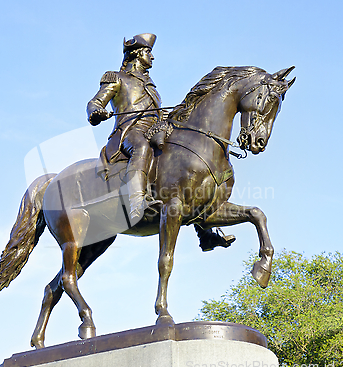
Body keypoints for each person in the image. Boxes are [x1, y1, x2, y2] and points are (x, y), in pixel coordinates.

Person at [87, 33, 235, 251]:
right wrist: (97, 111)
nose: (152, 57)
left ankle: (205, 233)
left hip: (154, 130)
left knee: (187, 162)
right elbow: (94, 102)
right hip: (129, 133)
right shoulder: (116, 78)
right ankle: (136, 202)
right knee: (142, 147)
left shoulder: (150, 86)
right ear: (136, 54)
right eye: (148, 52)